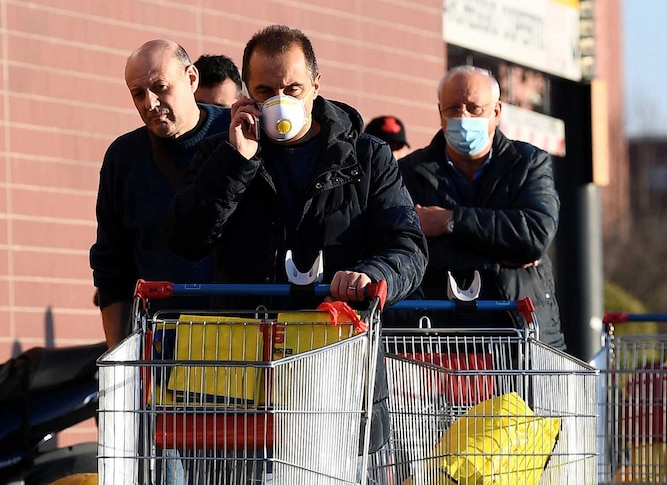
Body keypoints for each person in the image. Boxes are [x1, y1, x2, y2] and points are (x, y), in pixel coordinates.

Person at [162, 25, 427, 453]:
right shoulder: (221, 152)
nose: (279, 100)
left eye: (293, 88)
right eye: (265, 90)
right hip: (242, 373)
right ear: (247, 93)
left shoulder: (366, 156)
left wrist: (372, 275)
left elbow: (408, 247)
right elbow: (185, 239)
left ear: (317, 86)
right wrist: (236, 161)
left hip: (336, 367)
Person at [397, 65, 566, 351]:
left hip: (521, 337)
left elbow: (534, 236)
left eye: (474, 108)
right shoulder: (409, 172)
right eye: (453, 108)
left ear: (497, 112)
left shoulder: (528, 164)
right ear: (440, 113)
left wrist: (449, 222)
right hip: (440, 342)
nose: (463, 117)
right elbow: (407, 249)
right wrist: (501, 249)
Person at [90, 40, 231, 348]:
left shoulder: (239, 131)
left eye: (160, 87)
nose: (150, 102)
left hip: (246, 339)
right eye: (138, 94)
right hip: (162, 348)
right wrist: (120, 360)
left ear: (191, 79)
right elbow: (112, 267)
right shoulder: (124, 158)